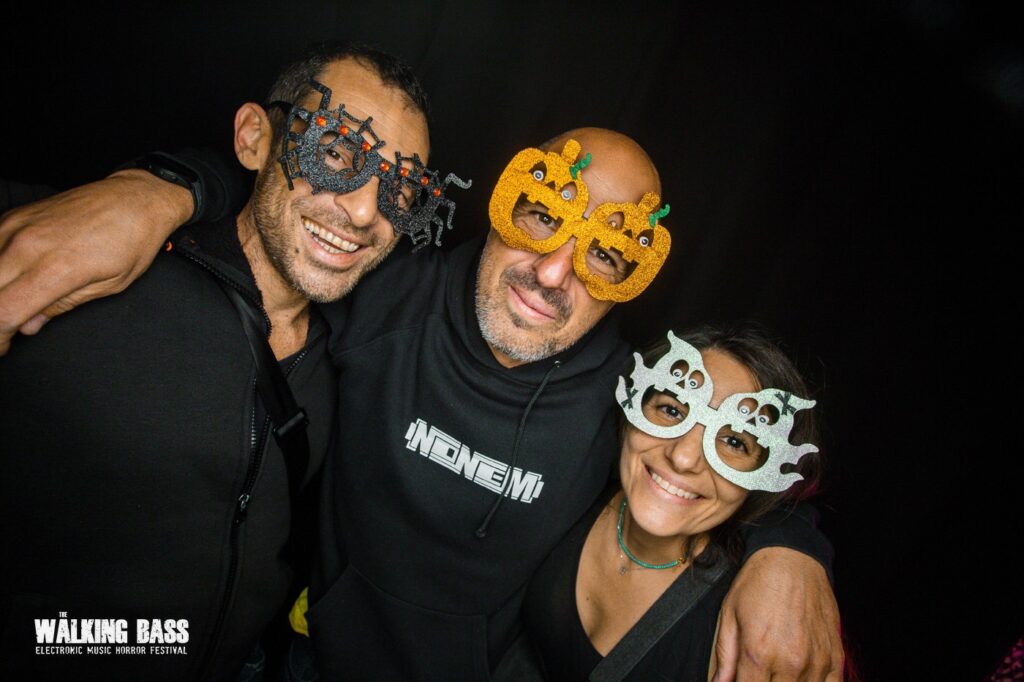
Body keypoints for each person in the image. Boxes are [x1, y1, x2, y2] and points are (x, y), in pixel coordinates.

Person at [0, 125, 843, 678]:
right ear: (506, 197)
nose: (554, 271)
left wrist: (794, 550)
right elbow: (280, 213)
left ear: (632, 277)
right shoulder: (386, 292)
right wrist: (163, 188)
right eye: (542, 216)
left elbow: (725, 447)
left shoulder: (628, 397)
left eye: (604, 255)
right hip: (295, 659)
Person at [0, 42, 442, 679]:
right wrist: (154, 190)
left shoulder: (361, 350)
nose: (365, 211)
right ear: (255, 138)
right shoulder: (91, 264)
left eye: (399, 189)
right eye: (336, 152)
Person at [523, 325, 825, 680]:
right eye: (671, 410)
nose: (683, 458)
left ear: (762, 479)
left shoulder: (750, 634)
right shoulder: (574, 487)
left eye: (734, 442)